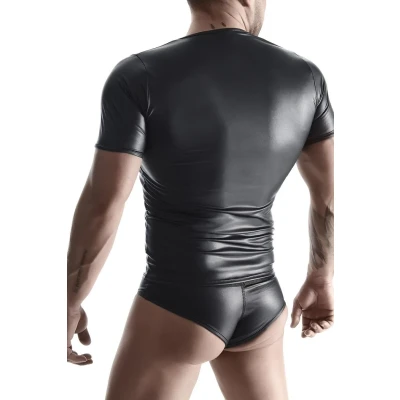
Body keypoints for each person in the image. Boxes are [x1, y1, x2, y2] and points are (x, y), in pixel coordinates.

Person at [67, 0, 334, 398]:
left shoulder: (139, 76)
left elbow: (104, 205)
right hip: (263, 301)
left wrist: (70, 300)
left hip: (179, 300)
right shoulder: (306, 78)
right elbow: (328, 198)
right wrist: (321, 278)